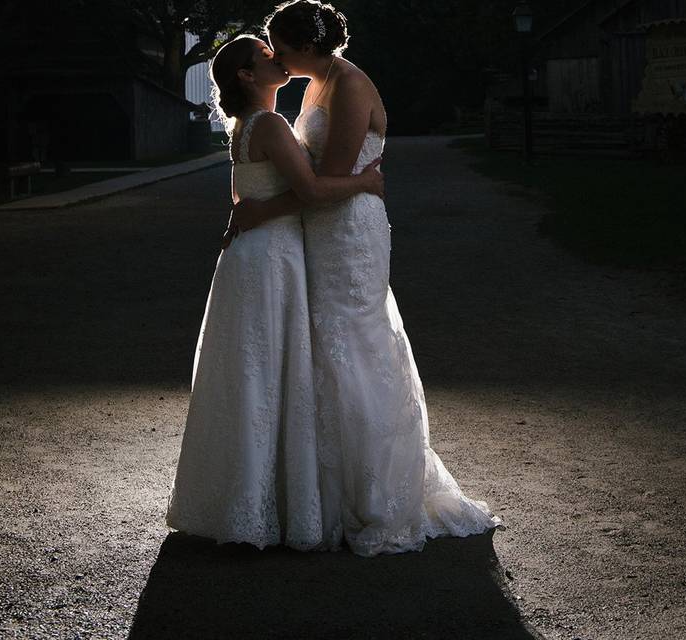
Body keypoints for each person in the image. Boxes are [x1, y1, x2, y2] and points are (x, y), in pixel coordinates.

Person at [230, 0, 500, 557]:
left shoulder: (349, 85)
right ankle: (322, 494)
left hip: (348, 228)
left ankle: (377, 497)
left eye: (278, 45)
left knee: (355, 343)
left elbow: (329, 179)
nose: (275, 55)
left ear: (305, 48)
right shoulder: (315, 83)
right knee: (326, 349)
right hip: (320, 224)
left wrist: (351, 189)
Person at [165, 34, 384, 551]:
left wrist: (249, 218)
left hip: (246, 258)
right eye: (265, 57)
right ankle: (271, 503)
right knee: (271, 373)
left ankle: (238, 501)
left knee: (248, 374)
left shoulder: (241, 128)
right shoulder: (269, 124)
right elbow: (309, 192)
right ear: (246, 75)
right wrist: (365, 184)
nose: (276, 57)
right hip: (272, 259)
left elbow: (243, 197)